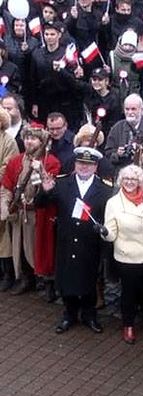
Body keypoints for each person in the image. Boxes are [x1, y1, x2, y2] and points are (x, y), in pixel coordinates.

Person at [37, 146, 112, 334]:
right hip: (67, 240)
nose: (84, 167)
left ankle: (89, 314)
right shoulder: (62, 183)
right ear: (75, 164)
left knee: (89, 279)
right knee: (67, 278)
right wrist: (45, 191)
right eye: (81, 163)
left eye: (89, 164)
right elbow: (40, 205)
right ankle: (69, 314)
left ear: (96, 166)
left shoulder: (105, 189)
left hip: (90, 244)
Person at [101, 165, 143, 344]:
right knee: (128, 293)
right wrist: (104, 232)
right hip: (127, 257)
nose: (129, 182)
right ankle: (128, 325)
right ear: (121, 181)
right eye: (126, 179)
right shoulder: (113, 203)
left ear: (140, 181)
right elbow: (112, 232)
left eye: (134, 179)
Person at [0, 125, 61, 297]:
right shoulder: (16, 161)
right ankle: (26, 279)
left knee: (40, 247)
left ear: (41, 141)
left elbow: (51, 189)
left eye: (33, 138)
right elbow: (7, 185)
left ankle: (44, 281)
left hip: (39, 213)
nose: (29, 141)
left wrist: (41, 171)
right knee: (19, 247)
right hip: (20, 213)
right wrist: (5, 205)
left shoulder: (51, 161)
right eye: (26, 137)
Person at [0, 107, 19, 292]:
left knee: (3, 236)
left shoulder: (8, 140)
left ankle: (8, 274)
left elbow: (8, 166)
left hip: (1, 190)